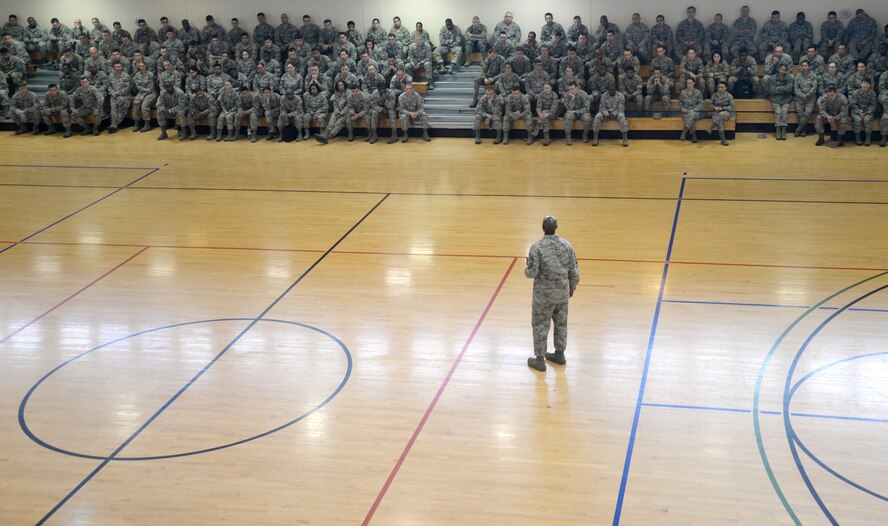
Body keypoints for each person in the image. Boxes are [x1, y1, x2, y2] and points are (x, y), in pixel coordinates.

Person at [525, 215, 579, 372]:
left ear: (542, 228)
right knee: (561, 323)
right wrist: (571, 288)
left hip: (543, 297)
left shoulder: (537, 248)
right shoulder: (566, 245)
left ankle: (539, 360)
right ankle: (559, 354)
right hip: (562, 294)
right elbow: (574, 272)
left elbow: (531, 273)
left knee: (540, 325)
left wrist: (527, 265)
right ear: (556, 227)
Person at [768, 63, 794, 140]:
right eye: (781, 69)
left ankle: (784, 132)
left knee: (784, 113)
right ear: (778, 69)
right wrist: (784, 89)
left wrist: (778, 88)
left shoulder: (789, 78)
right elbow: (772, 90)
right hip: (775, 99)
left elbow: (789, 89)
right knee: (778, 113)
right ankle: (778, 132)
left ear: (786, 71)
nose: (782, 71)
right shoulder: (772, 78)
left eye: (784, 70)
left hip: (786, 99)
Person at [793, 60, 818, 136]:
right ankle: (803, 130)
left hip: (810, 98)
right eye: (802, 66)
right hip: (799, 98)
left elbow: (814, 87)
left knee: (807, 113)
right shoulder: (798, 76)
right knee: (800, 113)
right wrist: (801, 95)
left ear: (809, 66)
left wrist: (807, 95)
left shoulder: (813, 75)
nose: (804, 67)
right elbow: (796, 87)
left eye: (805, 65)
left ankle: (799, 129)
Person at [561, 81, 590, 145]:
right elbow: (569, 108)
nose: (571, 91)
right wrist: (572, 99)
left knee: (587, 118)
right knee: (568, 116)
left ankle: (585, 136)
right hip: (572, 113)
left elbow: (587, 108)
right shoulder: (566, 95)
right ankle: (568, 138)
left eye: (572, 89)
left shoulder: (584, 94)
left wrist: (576, 111)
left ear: (577, 88)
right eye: (569, 89)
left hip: (582, 112)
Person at [849, 78, 876, 146]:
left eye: (867, 84)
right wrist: (859, 112)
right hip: (857, 111)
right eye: (863, 83)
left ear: (870, 85)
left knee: (867, 119)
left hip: (868, 112)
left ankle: (868, 138)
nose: (865, 85)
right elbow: (853, 104)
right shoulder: (856, 92)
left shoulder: (872, 93)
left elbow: (873, 105)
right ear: (861, 84)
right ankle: (857, 138)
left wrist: (866, 112)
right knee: (857, 119)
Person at [707, 80, 734, 145]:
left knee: (720, 115)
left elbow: (732, 107)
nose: (720, 89)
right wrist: (714, 107)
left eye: (722, 87)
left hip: (726, 113)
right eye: (719, 87)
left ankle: (710, 128)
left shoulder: (729, 96)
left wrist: (722, 108)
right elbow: (709, 104)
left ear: (726, 88)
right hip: (715, 113)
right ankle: (723, 141)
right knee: (719, 123)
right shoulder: (714, 95)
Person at [532, 82, 558, 146]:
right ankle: (546, 139)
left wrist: (547, 113)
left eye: (548, 88)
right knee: (545, 119)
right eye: (545, 88)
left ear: (551, 88)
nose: (546, 89)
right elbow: (538, 107)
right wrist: (539, 113)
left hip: (553, 114)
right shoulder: (541, 95)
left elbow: (554, 108)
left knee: (544, 118)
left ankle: (537, 129)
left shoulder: (554, 95)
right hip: (543, 114)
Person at [679, 77, 703, 142]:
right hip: (685, 113)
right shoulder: (683, 92)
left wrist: (694, 110)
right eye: (687, 83)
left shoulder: (698, 92)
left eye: (690, 83)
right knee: (691, 117)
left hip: (696, 112)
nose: (689, 85)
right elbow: (680, 105)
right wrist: (685, 110)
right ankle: (693, 135)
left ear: (694, 83)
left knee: (692, 114)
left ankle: (685, 130)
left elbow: (701, 104)